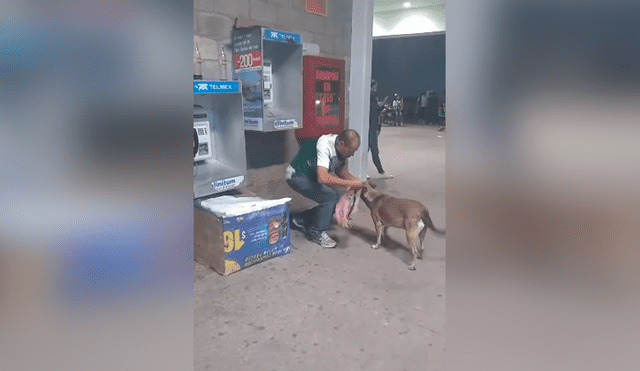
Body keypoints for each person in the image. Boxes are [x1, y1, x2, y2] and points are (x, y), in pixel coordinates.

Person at [285, 129, 365, 248]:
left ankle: (299, 219)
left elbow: (342, 172)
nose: (352, 154)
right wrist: (349, 183)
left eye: (355, 151)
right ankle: (317, 233)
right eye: (351, 151)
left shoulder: (342, 150)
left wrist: (358, 182)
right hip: (296, 175)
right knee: (331, 197)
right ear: (342, 144)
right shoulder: (325, 145)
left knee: (337, 198)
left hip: (310, 177)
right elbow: (323, 178)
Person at [369, 79, 393, 180]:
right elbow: (372, 110)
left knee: (374, 151)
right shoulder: (368, 98)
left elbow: (376, 113)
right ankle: (380, 172)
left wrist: (381, 105)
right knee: (367, 150)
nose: (375, 90)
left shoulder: (374, 97)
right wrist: (380, 105)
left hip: (373, 128)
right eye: (373, 88)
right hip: (369, 128)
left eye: (375, 88)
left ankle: (381, 171)